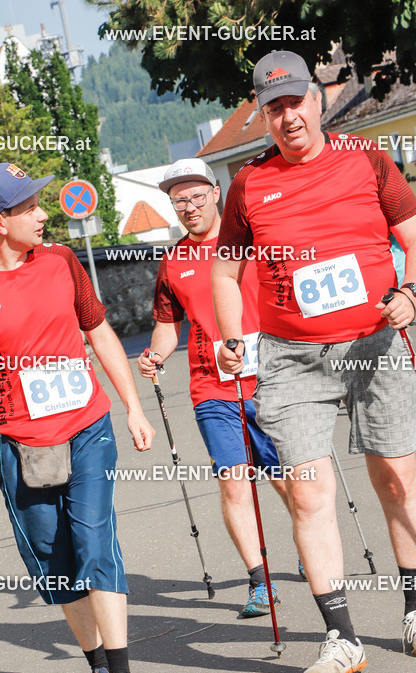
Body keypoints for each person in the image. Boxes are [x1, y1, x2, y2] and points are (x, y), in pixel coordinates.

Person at [212, 50, 416, 673]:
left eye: (296, 102)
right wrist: (232, 335)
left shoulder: (367, 160)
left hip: (374, 340)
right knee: (309, 490)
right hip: (291, 358)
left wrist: (412, 292)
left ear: (317, 101)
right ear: (263, 117)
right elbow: (226, 271)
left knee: (396, 478)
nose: (287, 117)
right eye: (274, 107)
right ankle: (340, 637)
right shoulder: (248, 185)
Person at [0, 162, 154, 673]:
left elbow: (98, 330)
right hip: (19, 444)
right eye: (29, 207)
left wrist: (131, 405)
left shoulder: (60, 260)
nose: (43, 213)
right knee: (57, 566)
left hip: (87, 427)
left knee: (95, 543)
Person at [138, 157, 300, 618]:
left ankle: (310, 543)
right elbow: (168, 327)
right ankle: (259, 581)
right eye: (177, 201)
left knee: (285, 480)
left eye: (194, 196)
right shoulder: (172, 263)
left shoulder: (250, 243)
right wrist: (154, 354)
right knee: (233, 483)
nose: (187, 207)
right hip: (213, 387)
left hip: (270, 378)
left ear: (215, 193)